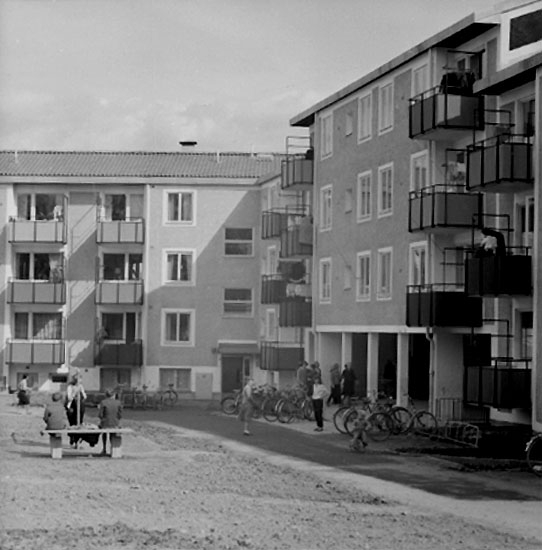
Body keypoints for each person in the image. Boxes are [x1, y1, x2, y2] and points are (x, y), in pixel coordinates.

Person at [98, 389, 123, 455]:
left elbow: (100, 415)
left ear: (106, 395)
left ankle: (104, 448)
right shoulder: (118, 402)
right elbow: (120, 415)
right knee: (112, 433)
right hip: (115, 423)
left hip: (105, 423)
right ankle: (112, 449)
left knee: (104, 432)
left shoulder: (103, 402)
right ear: (113, 395)